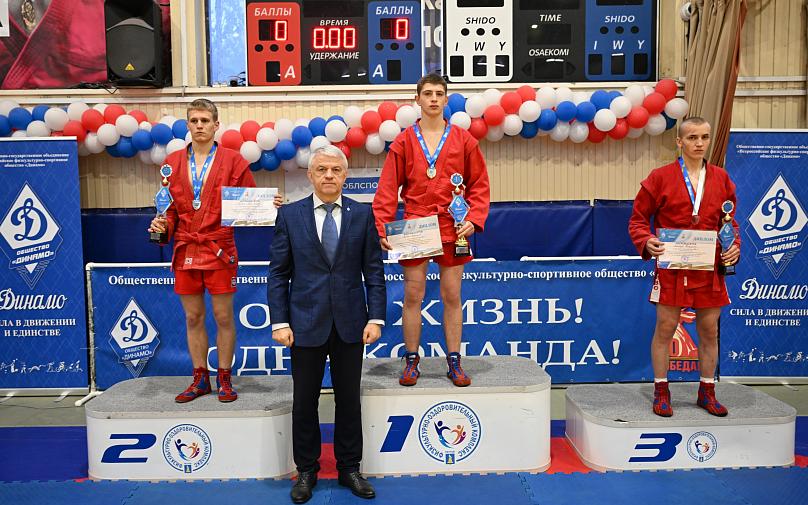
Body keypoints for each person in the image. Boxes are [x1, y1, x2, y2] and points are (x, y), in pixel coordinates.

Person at [269, 145, 386, 503]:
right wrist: (280, 322)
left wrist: (376, 317)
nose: (329, 175)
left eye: (335, 169)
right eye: (322, 169)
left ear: (345, 175)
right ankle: (307, 470)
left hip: (351, 323)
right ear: (310, 175)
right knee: (304, 402)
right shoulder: (290, 216)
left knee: (349, 401)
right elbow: (278, 274)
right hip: (304, 323)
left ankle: (350, 468)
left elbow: (374, 272)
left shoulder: (362, 214)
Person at [148, 98, 280, 403]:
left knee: (223, 316)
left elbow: (248, 200)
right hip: (186, 246)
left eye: (205, 121)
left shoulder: (234, 161)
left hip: (219, 247)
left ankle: (224, 378)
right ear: (187, 125)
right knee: (193, 317)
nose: (199, 126)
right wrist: (162, 225)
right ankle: (199, 379)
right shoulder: (172, 162)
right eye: (194, 121)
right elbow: (169, 210)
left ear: (216, 125)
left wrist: (266, 204)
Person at [372, 73, 490, 387]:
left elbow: (479, 184)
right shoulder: (403, 141)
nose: (434, 99)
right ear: (418, 99)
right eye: (428, 93)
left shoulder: (464, 140)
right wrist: (383, 226)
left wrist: (475, 217)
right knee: (413, 295)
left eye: (439, 93)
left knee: (452, 294)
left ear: (446, 99)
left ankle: (454, 361)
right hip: (415, 225)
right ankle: (411, 360)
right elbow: (387, 188)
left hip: (453, 225)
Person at [628, 116, 740, 418]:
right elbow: (638, 220)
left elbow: (729, 223)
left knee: (709, 330)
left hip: (709, 267)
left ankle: (707, 391)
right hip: (673, 267)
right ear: (679, 142)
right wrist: (647, 240)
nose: (699, 143)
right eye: (692, 138)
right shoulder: (660, 177)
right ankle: (661, 391)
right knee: (666, 327)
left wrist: (733, 246)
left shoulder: (721, 178)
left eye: (704, 137)